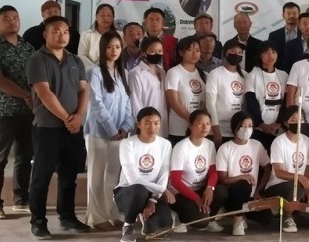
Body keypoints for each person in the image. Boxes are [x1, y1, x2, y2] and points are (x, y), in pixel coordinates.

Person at [26, 16, 91, 238]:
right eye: (55, 31)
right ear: (45, 34)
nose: (61, 35)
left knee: (69, 176)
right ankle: (38, 221)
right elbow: (44, 93)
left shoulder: (75, 60)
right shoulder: (37, 59)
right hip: (47, 129)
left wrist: (79, 115)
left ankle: (68, 217)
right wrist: (67, 118)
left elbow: (84, 90)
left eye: (65, 32)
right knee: (41, 177)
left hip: (73, 128)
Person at [0, 5, 34, 220]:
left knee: (24, 156)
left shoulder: (28, 47)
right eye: (6, 19)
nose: (12, 22)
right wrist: (26, 94)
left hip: (28, 111)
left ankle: (21, 199)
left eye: (15, 17)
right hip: (4, 112)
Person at [84, 31, 134, 229]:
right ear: (102, 48)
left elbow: (129, 103)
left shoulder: (123, 72)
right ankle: (96, 218)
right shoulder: (94, 72)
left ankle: (112, 213)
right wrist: (112, 129)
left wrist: (125, 127)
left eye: (117, 47)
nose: (114, 51)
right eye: (109, 47)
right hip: (98, 132)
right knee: (96, 175)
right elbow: (96, 103)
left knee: (113, 176)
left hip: (119, 134)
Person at [115, 107, 174, 241]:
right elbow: (133, 179)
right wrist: (163, 190)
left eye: (156, 123)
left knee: (164, 221)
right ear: (138, 124)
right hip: (128, 192)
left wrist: (152, 201)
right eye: (147, 123)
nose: (152, 127)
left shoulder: (165, 144)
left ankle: (147, 222)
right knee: (138, 190)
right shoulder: (127, 143)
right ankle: (128, 225)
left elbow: (164, 174)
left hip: (152, 193)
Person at [168, 110, 227, 233]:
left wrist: (210, 188)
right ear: (191, 126)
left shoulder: (209, 144)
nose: (205, 127)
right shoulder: (181, 147)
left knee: (221, 191)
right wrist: (196, 198)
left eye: (208, 123)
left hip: (201, 190)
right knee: (201, 222)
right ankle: (179, 217)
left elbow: (213, 172)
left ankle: (211, 219)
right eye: (200, 123)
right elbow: (175, 181)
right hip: (181, 193)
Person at [215, 111, 272, 236]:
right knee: (244, 184)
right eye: (243, 126)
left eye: (250, 126)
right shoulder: (225, 148)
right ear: (235, 127)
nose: (247, 129)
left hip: (251, 197)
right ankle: (238, 220)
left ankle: (243, 214)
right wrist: (242, 176)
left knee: (267, 218)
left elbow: (268, 168)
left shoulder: (256, 145)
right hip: (232, 195)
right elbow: (222, 180)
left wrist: (259, 191)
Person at [264, 105, 309, 233]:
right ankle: (287, 218)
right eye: (293, 119)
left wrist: (307, 192)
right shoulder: (279, 142)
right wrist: (299, 178)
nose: (298, 123)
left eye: (301, 119)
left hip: (299, 186)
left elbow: (308, 167)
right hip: (277, 185)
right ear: (286, 123)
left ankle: (288, 207)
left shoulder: (307, 141)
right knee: (295, 186)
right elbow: (278, 172)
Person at [244, 43, 288, 151]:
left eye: (273, 52)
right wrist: (261, 124)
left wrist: (279, 122)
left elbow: (286, 100)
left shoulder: (283, 75)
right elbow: (251, 102)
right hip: (260, 129)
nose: (270, 55)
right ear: (260, 55)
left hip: (279, 129)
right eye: (266, 52)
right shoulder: (252, 75)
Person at [165, 38, 207, 145]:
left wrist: (199, 123)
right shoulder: (174, 72)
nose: (195, 53)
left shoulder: (205, 75)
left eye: (197, 50)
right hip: (179, 129)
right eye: (190, 50)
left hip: (199, 129)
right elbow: (173, 102)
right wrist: (192, 120)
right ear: (181, 52)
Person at [205, 41, 248, 145]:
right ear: (225, 53)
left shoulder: (246, 75)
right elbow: (210, 104)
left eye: (239, 52)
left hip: (239, 130)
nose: (236, 54)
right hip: (220, 129)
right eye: (232, 51)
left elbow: (247, 103)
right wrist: (216, 129)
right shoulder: (215, 74)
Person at [128, 36, 168, 137]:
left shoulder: (162, 71)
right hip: (145, 126)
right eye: (152, 51)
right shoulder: (136, 73)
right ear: (143, 53)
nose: (157, 54)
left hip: (162, 124)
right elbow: (135, 102)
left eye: (160, 51)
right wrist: (143, 124)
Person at [78, 3, 119, 69]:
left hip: (114, 71)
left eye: (109, 15)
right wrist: (97, 69)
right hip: (91, 72)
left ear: (113, 18)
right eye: (102, 15)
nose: (105, 18)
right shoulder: (87, 34)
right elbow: (82, 55)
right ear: (96, 17)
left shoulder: (120, 35)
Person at [267, 2, 301, 66]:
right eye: (288, 13)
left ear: (299, 14)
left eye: (294, 13)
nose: (291, 16)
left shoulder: (304, 34)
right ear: (283, 15)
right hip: (279, 72)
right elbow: (270, 56)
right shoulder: (273, 36)